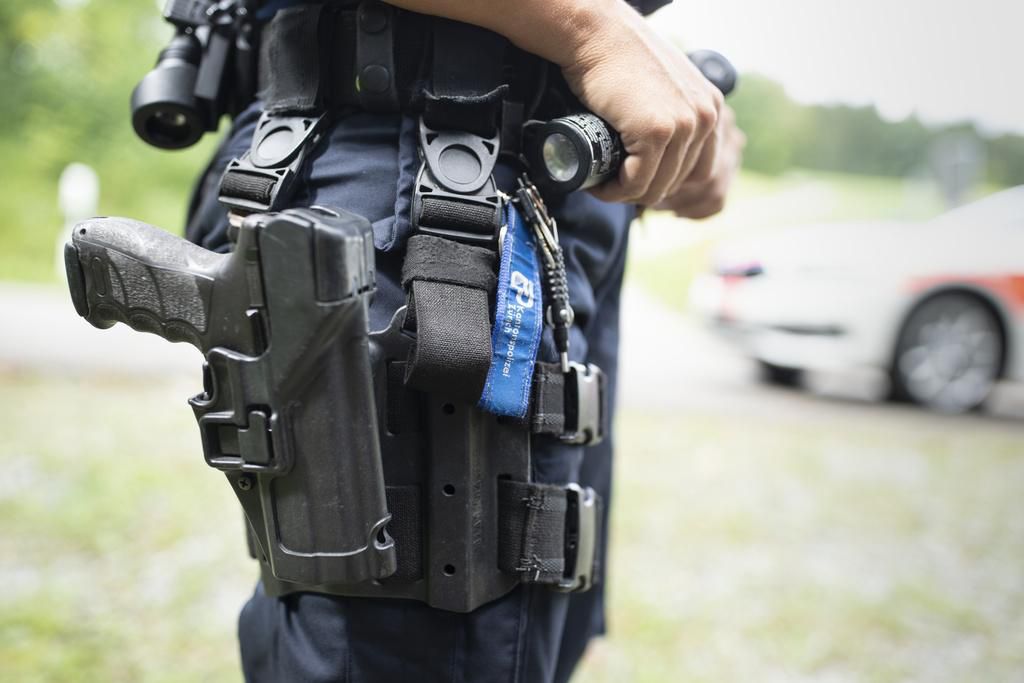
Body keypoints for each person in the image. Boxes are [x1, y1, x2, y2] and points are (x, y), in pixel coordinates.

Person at [183, 0, 745, 680]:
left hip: (553, 162)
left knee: (532, 631)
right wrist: (593, 31)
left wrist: (655, 100)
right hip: (415, 151)